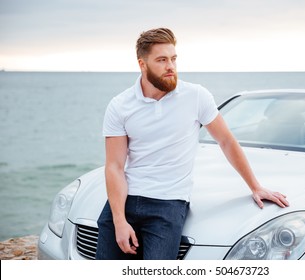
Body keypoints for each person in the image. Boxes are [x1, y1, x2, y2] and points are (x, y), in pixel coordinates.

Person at [96, 27, 289, 260]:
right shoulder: (120, 105)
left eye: (173, 59)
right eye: (162, 60)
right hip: (126, 200)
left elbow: (226, 141)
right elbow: (115, 166)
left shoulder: (196, 96)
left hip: (168, 203)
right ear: (142, 64)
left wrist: (255, 186)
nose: (171, 66)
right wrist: (119, 220)